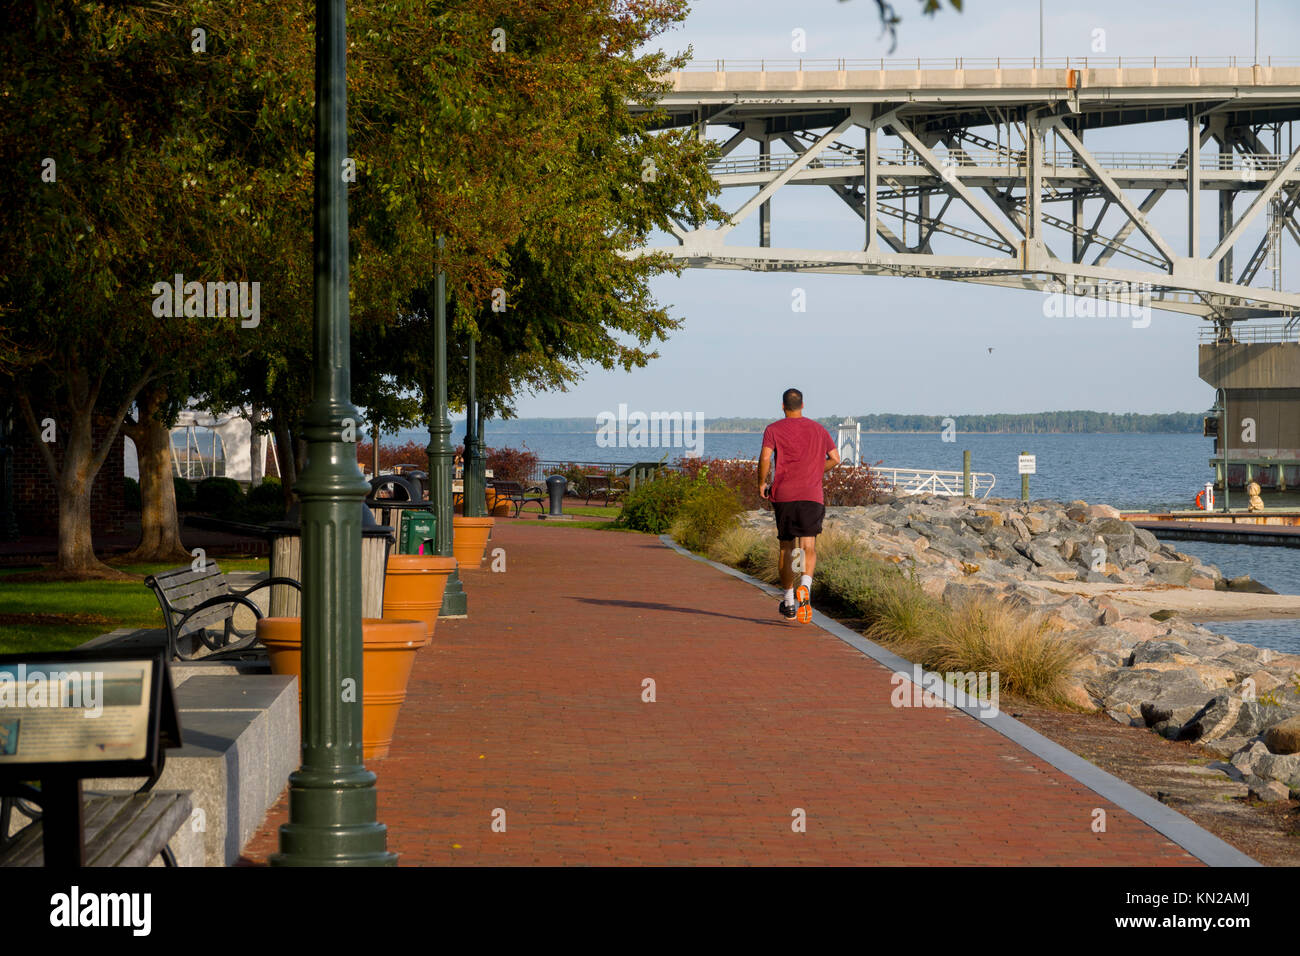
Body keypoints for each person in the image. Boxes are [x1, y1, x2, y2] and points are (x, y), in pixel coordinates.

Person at [759, 388, 840, 623]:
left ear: (782, 406)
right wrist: (815, 471)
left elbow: (765, 458)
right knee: (808, 546)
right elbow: (835, 458)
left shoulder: (773, 429)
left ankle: (789, 601)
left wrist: (762, 482)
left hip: (784, 496)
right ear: (803, 405)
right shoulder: (819, 429)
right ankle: (805, 585)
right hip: (811, 495)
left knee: (787, 548)